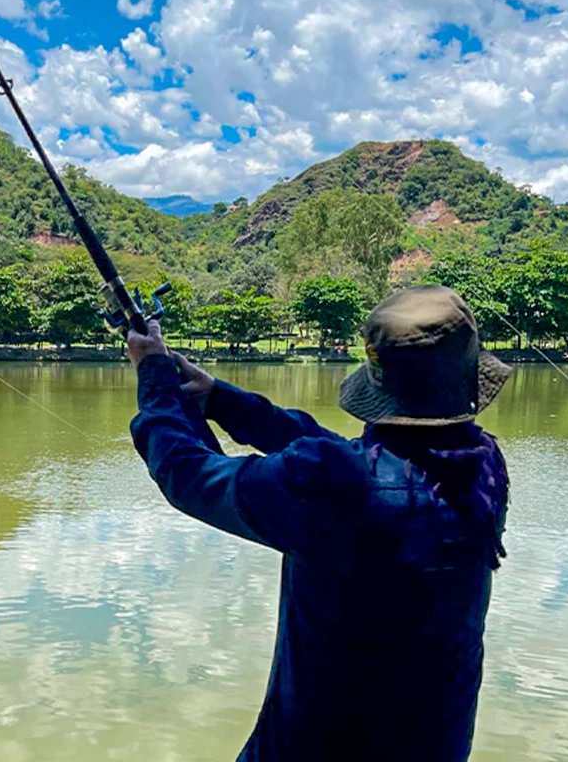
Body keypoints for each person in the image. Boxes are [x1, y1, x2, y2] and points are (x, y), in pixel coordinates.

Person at [126, 285, 511, 762]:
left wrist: (156, 378)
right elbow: (351, 464)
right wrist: (220, 400)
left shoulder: (336, 486)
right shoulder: (479, 466)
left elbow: (189, 474)